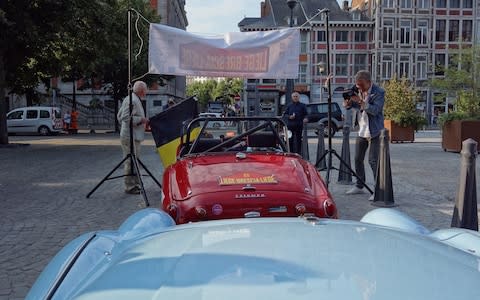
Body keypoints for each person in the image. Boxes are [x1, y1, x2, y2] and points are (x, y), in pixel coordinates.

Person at [344, 70, 385, 201]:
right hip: (362, 130)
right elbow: (352, 106)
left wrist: (361, 102)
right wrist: (348, 104)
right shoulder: (356, 88)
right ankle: (359, 185)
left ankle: (378, 189)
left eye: (361, 85)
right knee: (357, 159)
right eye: (357, 85)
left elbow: (375, 110)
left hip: (375, 131)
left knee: (373, 161)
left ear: (368, 82)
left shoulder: (379, 92)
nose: (358, 88)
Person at [117, 81, 149, 194]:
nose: (146, 92)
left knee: (135, 160)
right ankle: (130, 186)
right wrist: (141, 120)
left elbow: (119, 115)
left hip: (133, 136)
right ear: (141, 90)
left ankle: (135, 184)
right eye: (146, 89)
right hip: (129, 136)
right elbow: (124, 117)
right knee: (130, 161)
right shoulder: (132, 100)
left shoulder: (131, 98)